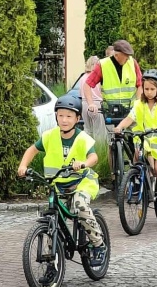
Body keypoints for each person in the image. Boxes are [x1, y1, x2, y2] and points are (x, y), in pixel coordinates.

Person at [18, 95, 106, 266]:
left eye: (69, 116)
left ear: (77, 118)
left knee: (80, 206)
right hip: (58, 185)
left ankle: (98, 245)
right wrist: (23, 165)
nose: (64, 120)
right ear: (56, 116)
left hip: (82, 182)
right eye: (61, 115)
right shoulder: (49, 136)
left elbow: (94, 157)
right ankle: (53, 265)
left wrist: (84, 163)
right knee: (53, 218)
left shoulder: (82, 138)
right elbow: (32, 150)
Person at [113, 69, 157, 209]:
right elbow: (129, 119)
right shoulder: (138, 104)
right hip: (144, 141)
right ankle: (137, 181)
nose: (148, 92)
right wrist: (119, 127)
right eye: (146, 88)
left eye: (152, 89)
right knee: (137, 157)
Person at [82, 39, 143, 117]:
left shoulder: (132, 63)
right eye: (126, 55)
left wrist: (138, 102)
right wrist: (91, 104)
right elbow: (87, 84)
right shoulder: (103, 65)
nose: (128, 58)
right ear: (117, 55)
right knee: (114, 129)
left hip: (131, 111)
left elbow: (140, 84)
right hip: (111, 112)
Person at [81, 55, 104, 134]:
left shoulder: (83, 77)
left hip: (84, 103)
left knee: (87, 129)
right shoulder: (96, 77)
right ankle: (98, 146)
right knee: (98, 130)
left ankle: (87, 145)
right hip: (96, 103)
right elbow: (101, 91)